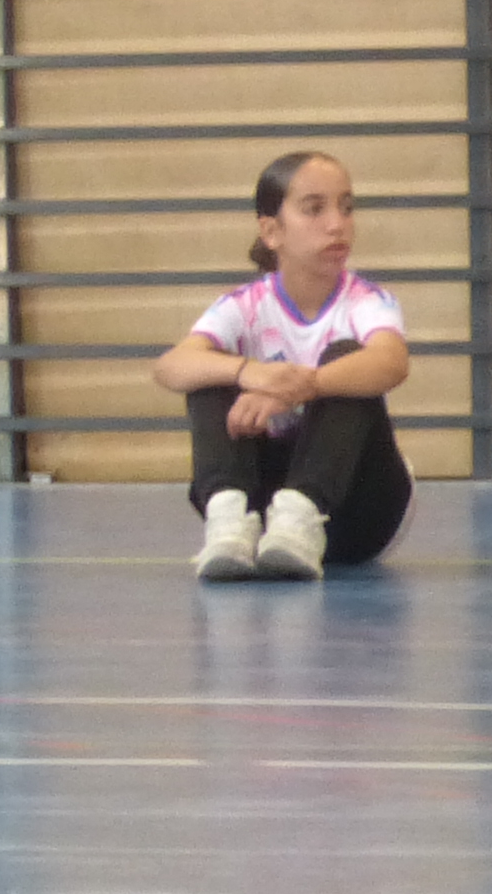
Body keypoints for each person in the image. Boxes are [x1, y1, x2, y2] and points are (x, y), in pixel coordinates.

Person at [148, 150, 413, 584]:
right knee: (208, 369)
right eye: (314, 209)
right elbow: (170, 366)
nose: (337, 224)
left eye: (346, 208)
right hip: (263, 512)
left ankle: (301, 515)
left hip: (357, 513)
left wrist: (303, 386)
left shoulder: (366, 301)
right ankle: (230, 519)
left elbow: (391, 362)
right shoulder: (244, 306)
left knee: (350, 360)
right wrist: (248, 373)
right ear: (272, 231)